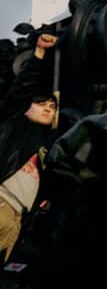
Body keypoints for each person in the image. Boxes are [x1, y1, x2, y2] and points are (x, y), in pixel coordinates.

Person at [0, 33, 60, 263]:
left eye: (52, 107)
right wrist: (40, 54)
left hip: (16, 221)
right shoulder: (13, 125)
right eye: (41, 104)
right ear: (26, 108)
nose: (48, 109)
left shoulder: (44, 146)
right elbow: (22, 88)